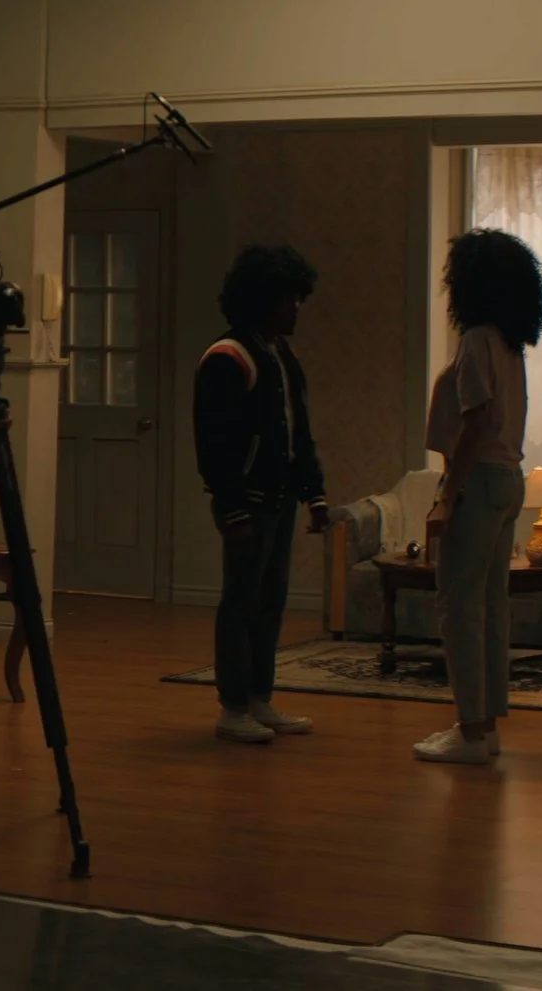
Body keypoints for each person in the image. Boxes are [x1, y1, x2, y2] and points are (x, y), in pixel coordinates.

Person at [416, 229, 542, 765]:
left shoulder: (476, 341)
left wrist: (447, 494)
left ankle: (470, 731)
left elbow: (475, 423)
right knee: (490, 607)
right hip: (506, 483)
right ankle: (486, 726)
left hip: (479, 480)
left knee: (459, 608)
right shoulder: (509, 344)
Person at [192, 244, 330, 745]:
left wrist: (313, 494)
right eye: (289, 298)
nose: (297, 307)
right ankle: (232, 707)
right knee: (241, 601)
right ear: (262, 298)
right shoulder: (227, 358)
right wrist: (232, 508)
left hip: (279, 499)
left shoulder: (281, 355)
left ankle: (259, 699)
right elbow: (214, 445)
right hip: (246, 502)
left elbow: (299, 431)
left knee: (270, 600)